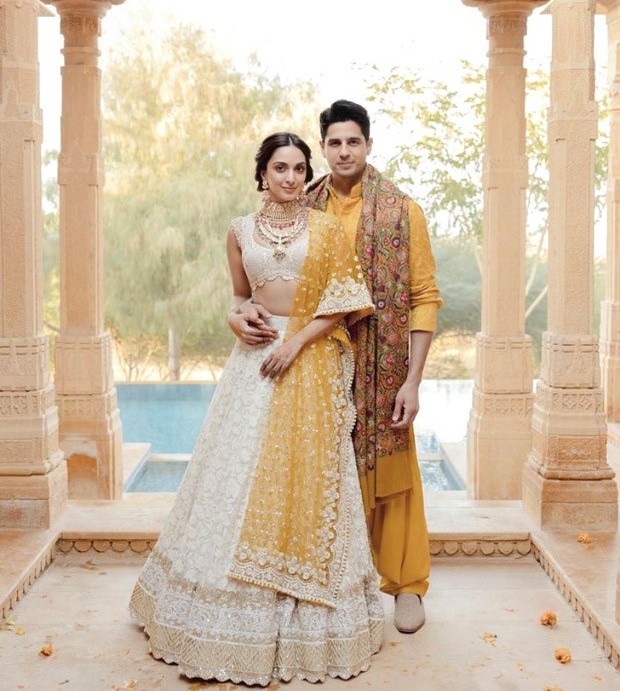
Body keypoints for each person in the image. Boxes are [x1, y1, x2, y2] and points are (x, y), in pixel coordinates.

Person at [129, 132, 383, 686]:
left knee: (307, 482)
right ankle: (217, 620)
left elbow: (343, 304)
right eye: (279, 168)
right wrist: (235, 319)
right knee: (234, 476)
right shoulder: (240, 231)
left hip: (306, 359)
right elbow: (238, 296)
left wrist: (293, 344)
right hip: (252, 364)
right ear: (262, 174)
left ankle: (306, 626)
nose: (290, 178)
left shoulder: (327, 230)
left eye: (298, 168)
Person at [230, 102, 442, 635]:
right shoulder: (305, 201)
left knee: (392, 469)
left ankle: (406, 584)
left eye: (354, 142)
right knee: (321, 472)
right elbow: (259, 273)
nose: (343, 151)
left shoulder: (402, 210)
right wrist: (244, 313)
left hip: (382, 359)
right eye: (334, 143)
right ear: (322, 146)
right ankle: (337, 582)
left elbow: (423, 296)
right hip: (317, 360)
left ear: (368, 145)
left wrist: (412, 380)